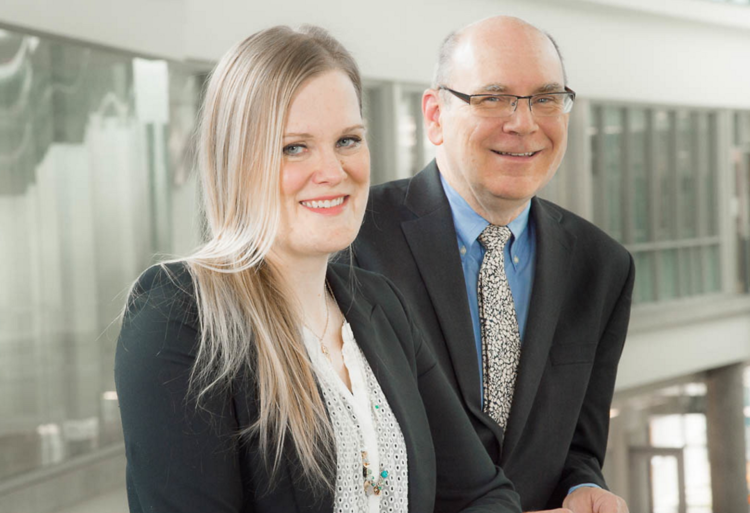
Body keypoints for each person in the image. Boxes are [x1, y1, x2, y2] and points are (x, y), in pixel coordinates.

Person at [114, 25, 524, 513]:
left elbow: (482, 494)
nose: (332, 171)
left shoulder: (381, 306)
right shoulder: (180, 314)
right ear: (236, 162)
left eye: (347, 140)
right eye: (294, 147)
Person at [351, 16, 634, 513]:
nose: (523, 123)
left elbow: (579, 446)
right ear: (435, 115)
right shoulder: (355, 242)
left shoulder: (602, 266)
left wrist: (581, 487)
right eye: (493, 98)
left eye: (545, 98)